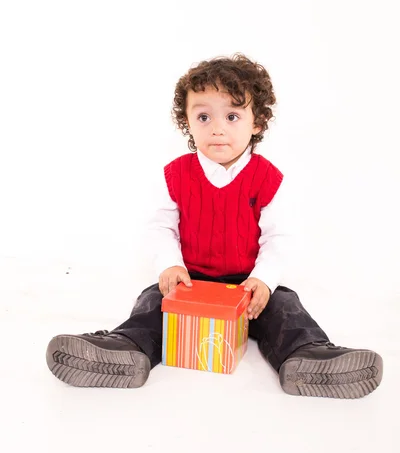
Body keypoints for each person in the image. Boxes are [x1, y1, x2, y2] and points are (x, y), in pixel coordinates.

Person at [46, 53, 383, 398]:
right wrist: (170, 265)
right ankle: (128, 347)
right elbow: (160, 227)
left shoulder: (267, 178)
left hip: (247, 286)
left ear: (257, 122)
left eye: (232, 116)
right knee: (152, 302)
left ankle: (305, 356)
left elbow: (278, 237)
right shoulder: (176, 174)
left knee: (286, 306)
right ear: (187, 123)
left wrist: (263, 280)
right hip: (191, 282)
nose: (217, 128)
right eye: (204, 116)